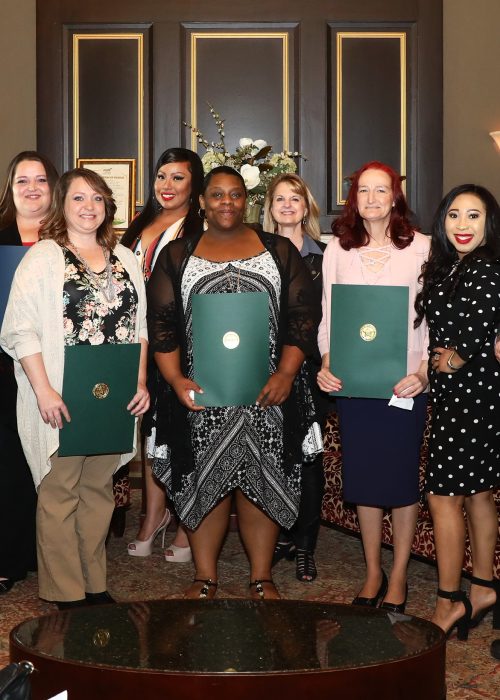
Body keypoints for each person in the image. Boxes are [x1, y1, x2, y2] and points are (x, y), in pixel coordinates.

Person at [147, 165, 321, 599]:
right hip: (202, 395)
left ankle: (261, 576)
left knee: (262, 480)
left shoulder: (279, 250)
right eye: (217, 194)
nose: (227, 202)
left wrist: (285, 373)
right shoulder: (178, 255)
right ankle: (204, 576)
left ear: (247, 201)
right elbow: (162, 323)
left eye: (236, 194)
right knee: (205, 479)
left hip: (268, 394)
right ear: (203, 202)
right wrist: (174, 380)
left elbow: (303, 318)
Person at [0, 168, 149, 608]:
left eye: (97, 200)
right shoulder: (44, 257)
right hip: (61, 394)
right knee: (60, 491)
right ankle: (65, 592)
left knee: (99, 492)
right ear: (62, 205)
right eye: (79, 199)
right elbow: (19, 331)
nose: (89, 208)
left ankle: (95, 584)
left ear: (108, 207)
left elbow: (139, 329)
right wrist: (44, 391)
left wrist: (139, 381)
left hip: (113, 396)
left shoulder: (125, 259)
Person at [317, 161, 429, 613]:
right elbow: (329, 318)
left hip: (404, 385)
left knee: (400, 482)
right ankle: (372, 571)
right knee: (364, 481)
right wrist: (326, 363)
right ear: (353, 199)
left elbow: (431, 321)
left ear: (396, 196)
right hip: (356, 385)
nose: (373, 199)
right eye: (364, 191)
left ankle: (399, 574)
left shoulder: (422, 249)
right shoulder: (337, 250)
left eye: (382, 190)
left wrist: (422, 374)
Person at [415, 184, 500, 638]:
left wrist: (453, 358)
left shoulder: (483, 268)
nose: (462, 225)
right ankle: (483, 587)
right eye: (453, 215)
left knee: (444, 497)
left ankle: (449, 601)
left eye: (473, 215)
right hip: (471, 395)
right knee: (479, 494)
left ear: (489, 223)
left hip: (471, 393)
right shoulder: (455, 266)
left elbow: (479, 324)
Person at [122, 147, 204, 562]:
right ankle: (152, 515)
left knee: (180, 431)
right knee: (149, 431)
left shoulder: (202, 226)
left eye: (178, 177)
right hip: (137, 339)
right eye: (161, 176)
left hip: (180, 343)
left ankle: (188, 522)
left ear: (195, 184)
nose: (166, 186)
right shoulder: (139, 223)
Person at [0, 151, 58, 594]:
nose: (32, 188)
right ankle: (8, 555)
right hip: (2, 366)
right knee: (7, 460)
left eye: (40, 180)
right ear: (10, 188)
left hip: (53, 365)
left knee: (47, 457)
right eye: (23, 181)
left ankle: (49, 552)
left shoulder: (67, 240)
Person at [263, 172, 326, 582]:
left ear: (307, 207)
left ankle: (305, 544)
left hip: (312, 371)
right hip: (265, 371)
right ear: (268, 208)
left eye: (295, 198)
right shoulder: (256, 252)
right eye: (279, 199)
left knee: (309, 459)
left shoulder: (328, 255)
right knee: (270, 454)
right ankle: (278, 535)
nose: (287, 205)